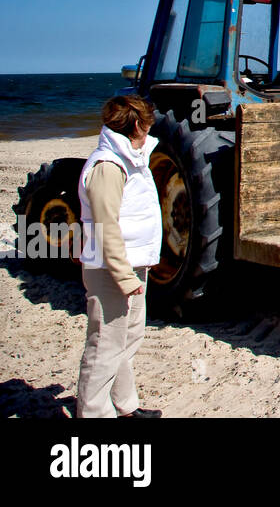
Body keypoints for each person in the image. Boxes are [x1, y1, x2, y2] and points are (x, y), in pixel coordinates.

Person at [76, 95, 162, 418]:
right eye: (148, 126)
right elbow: (105, 228)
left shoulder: (129, 158)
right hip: (111, 270)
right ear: (138, 125)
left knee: (127, 338)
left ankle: (125, 407)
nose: (149, 133)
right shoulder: (108, 167)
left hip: (132, 264)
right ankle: (93, 413)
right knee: (105, 346)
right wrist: (125, 277)